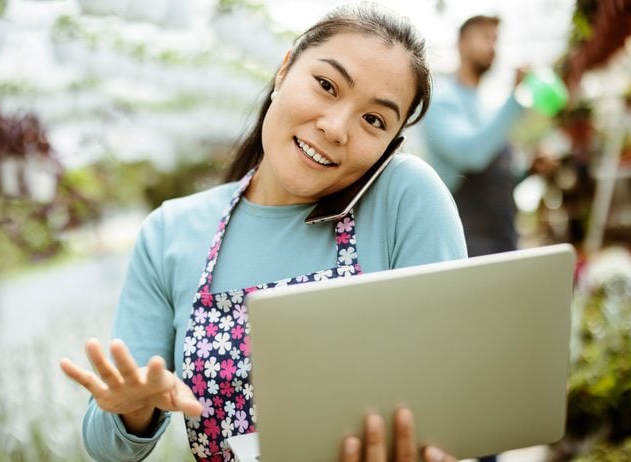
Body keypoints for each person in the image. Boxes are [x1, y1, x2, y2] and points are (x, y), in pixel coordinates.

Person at [60, 3, 467, 461]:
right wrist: (133, 409)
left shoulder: (405, 199)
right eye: (327, 86)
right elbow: (107, 449)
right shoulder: (170, 232)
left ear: (390, 145)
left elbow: (452, 407)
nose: (335, 129)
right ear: (284, 70)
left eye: (373, 120)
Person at [420, 15, 530, 258]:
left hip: (504, 238)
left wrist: (531, 170)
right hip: (468, 243)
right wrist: (517, 97)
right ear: (461, 44)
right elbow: (471, 156)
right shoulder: (440, 101)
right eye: (484, 38)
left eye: (495, 40)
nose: (492, 47)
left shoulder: (486, 107)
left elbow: (498, 180)